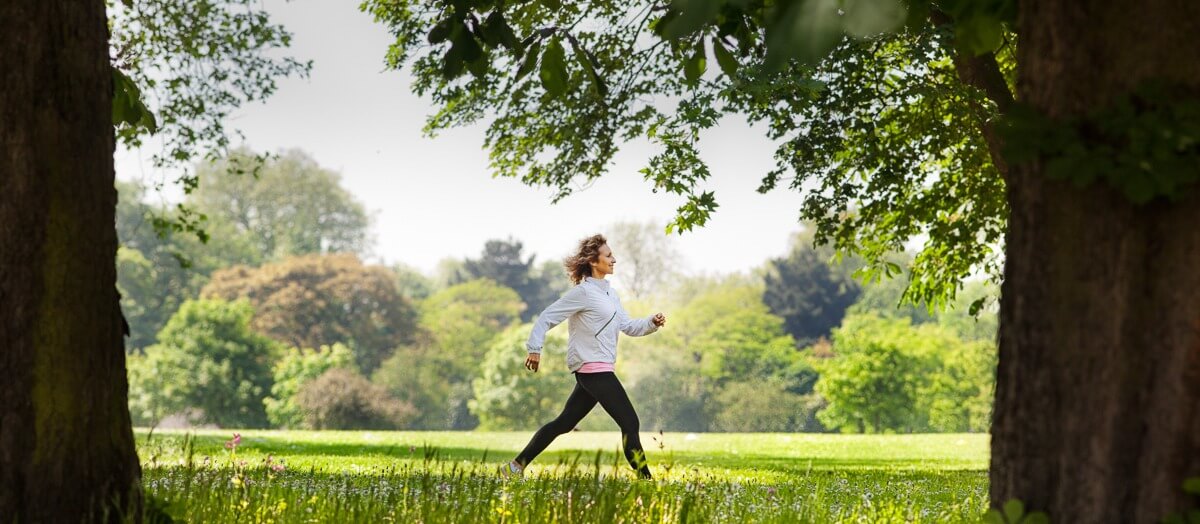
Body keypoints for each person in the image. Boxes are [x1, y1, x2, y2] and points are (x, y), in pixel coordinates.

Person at [500, 234, 666, 480]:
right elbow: (547, 316)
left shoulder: (611, 295)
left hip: (599, 368)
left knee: (564, 423)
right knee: (630, 423)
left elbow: (629, 326)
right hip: (593, 369)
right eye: (608, 256)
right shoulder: (583, 293)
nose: (614, 259)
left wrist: (650, 322)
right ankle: (647, 480)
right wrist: (534, 348)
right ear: (593, 261)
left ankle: (514, 467)